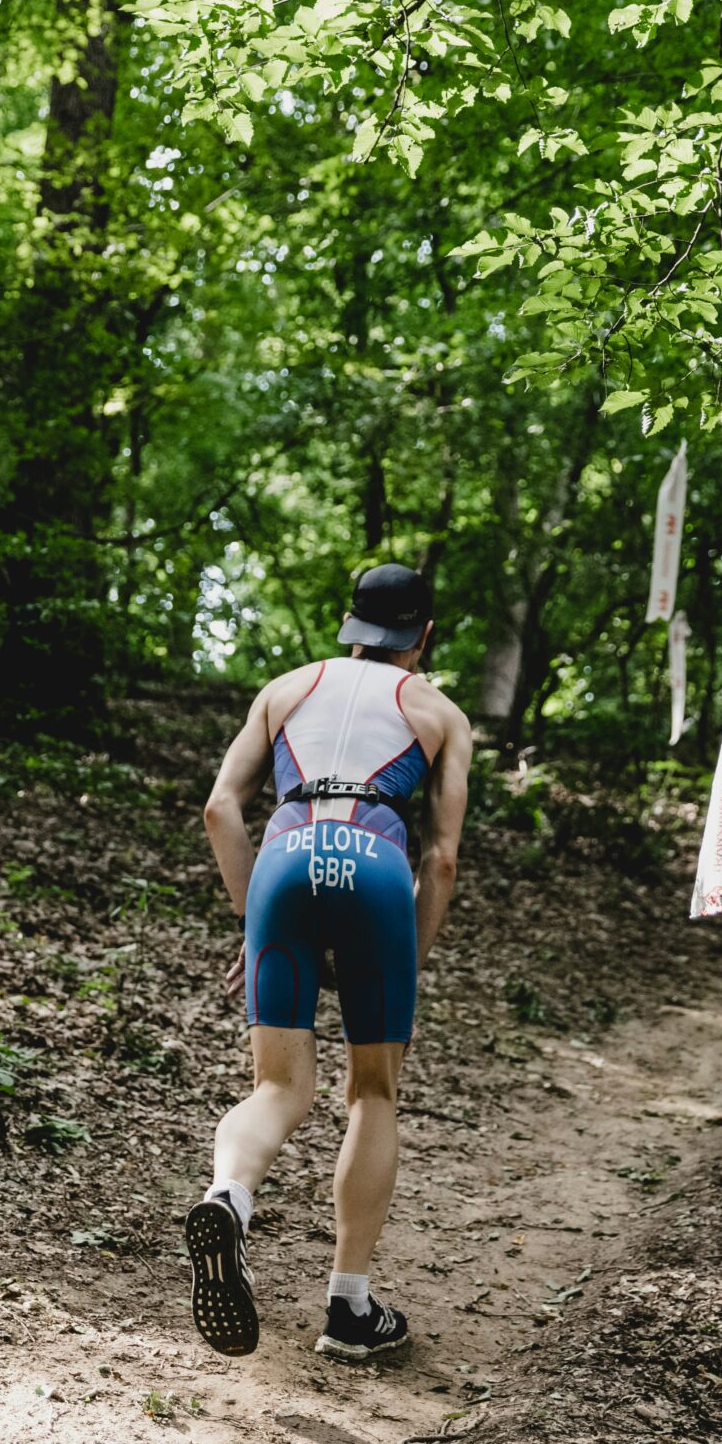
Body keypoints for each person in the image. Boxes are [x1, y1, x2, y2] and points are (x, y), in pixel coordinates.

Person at [186, 564, 474, 1362]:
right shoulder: (439, 712)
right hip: (378, 866)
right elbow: (442, 859)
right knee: (372, 1090)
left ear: (349, 623)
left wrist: (254, 922)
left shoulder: (285, 688)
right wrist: (406, 954)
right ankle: (348, 1308)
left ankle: (229, 1196)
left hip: (283, 855)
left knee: (277, 1085)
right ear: (422, 634)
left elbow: (219, 808)